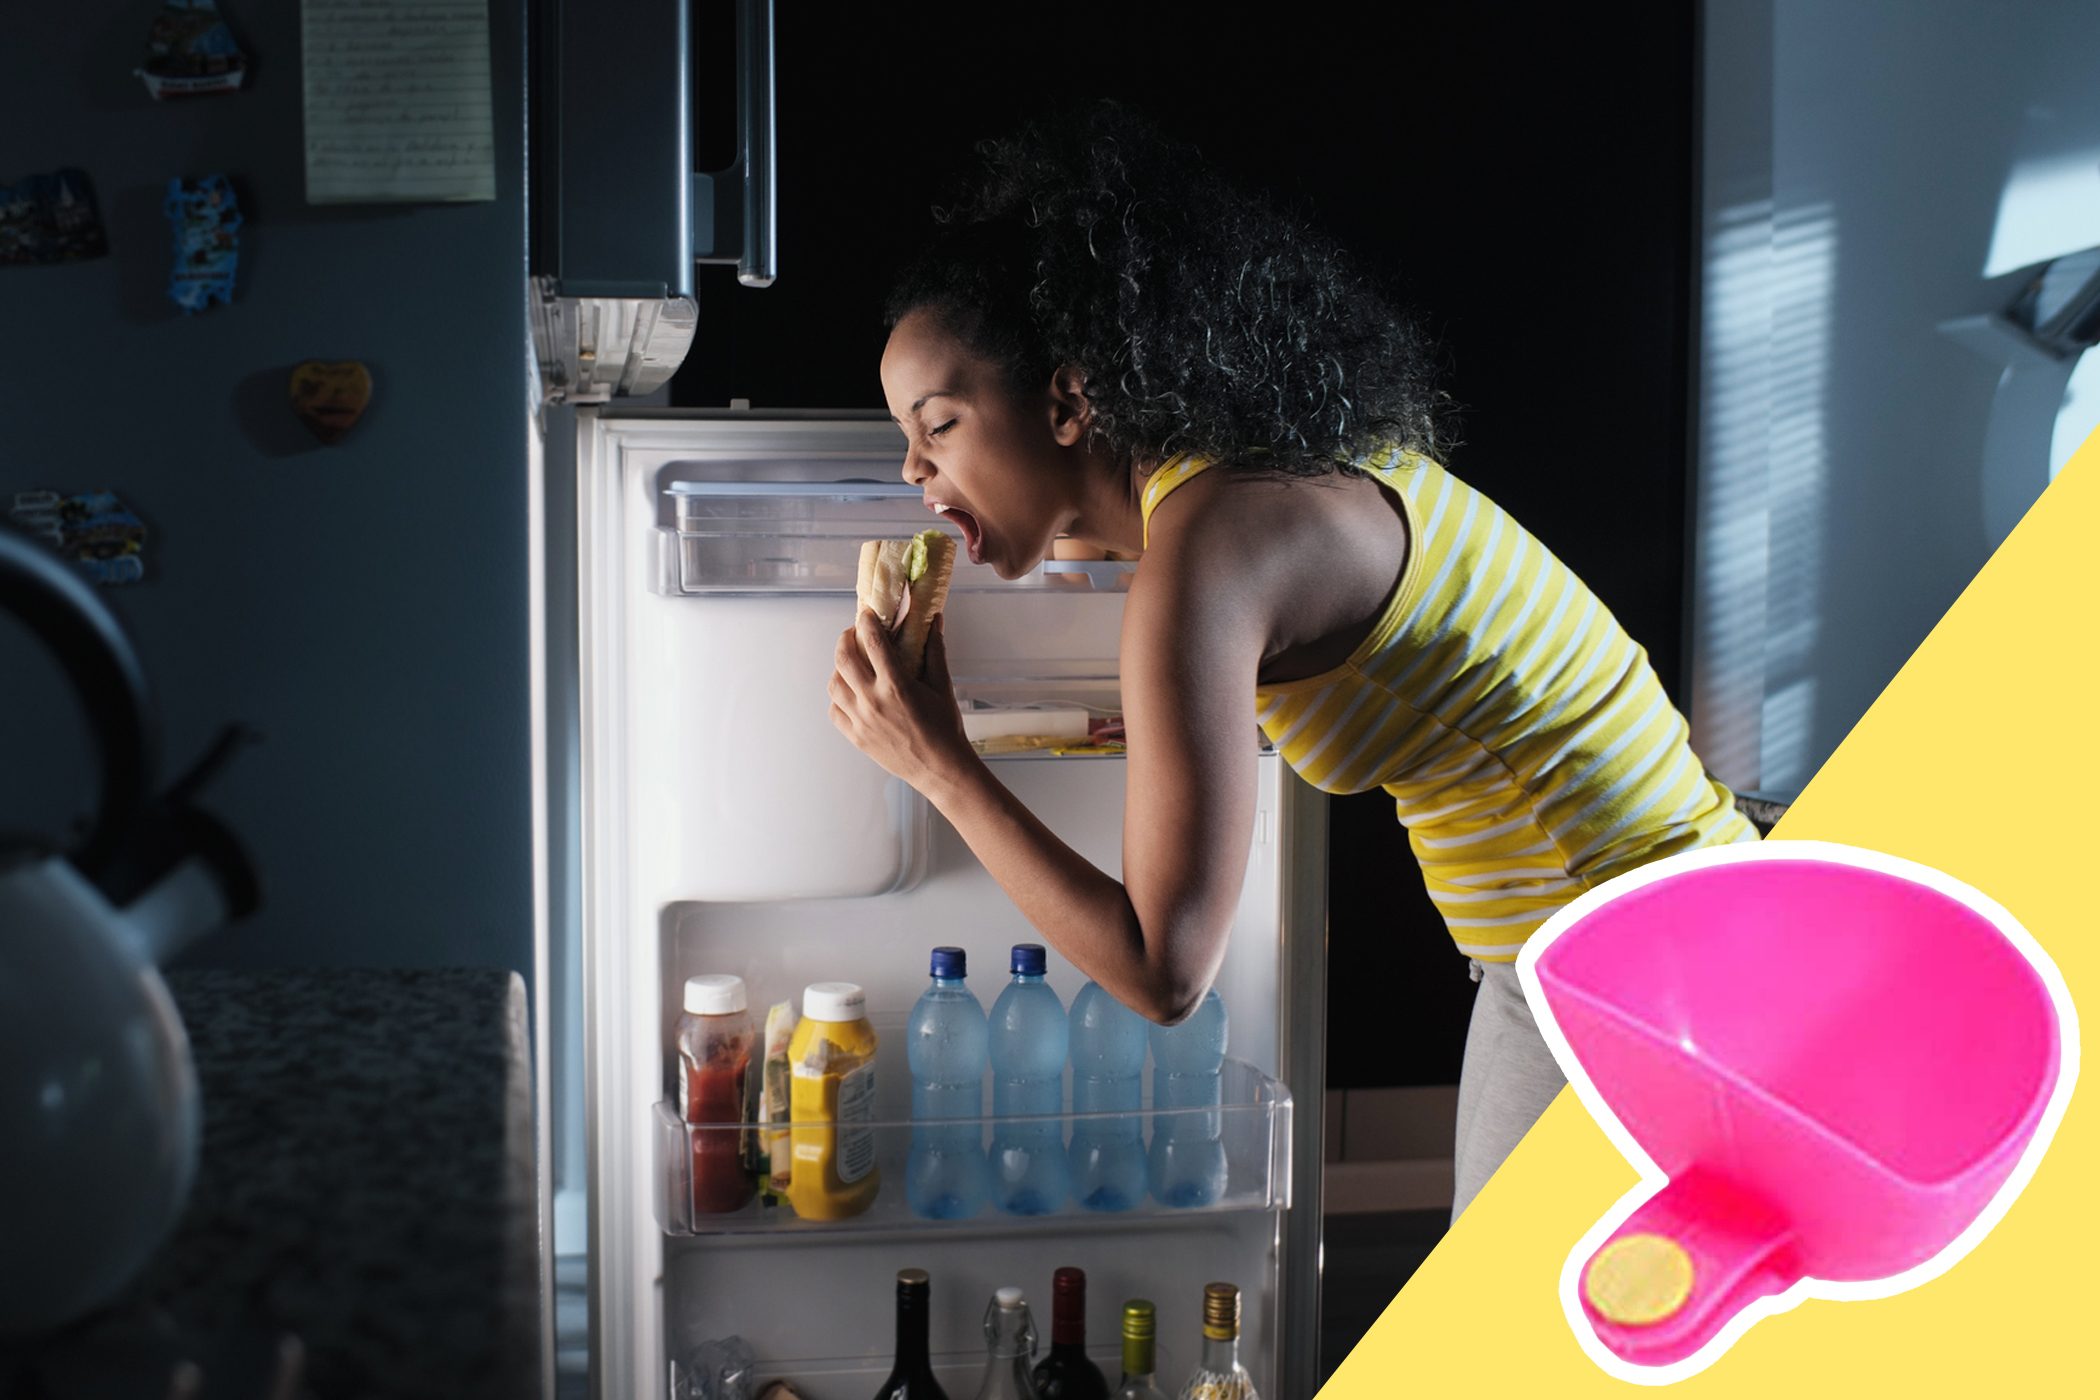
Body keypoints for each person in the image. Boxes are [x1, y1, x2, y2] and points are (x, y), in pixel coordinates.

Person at [827, 101, 1758, 1221]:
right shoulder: (1238, 470)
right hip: (1658, 899)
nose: (916, 474)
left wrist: (943, 767)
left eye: (938, 428)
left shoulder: (1211, 556)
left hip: (1634, 959)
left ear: (1070, 400)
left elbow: (1162, 971)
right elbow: (1093, 539)